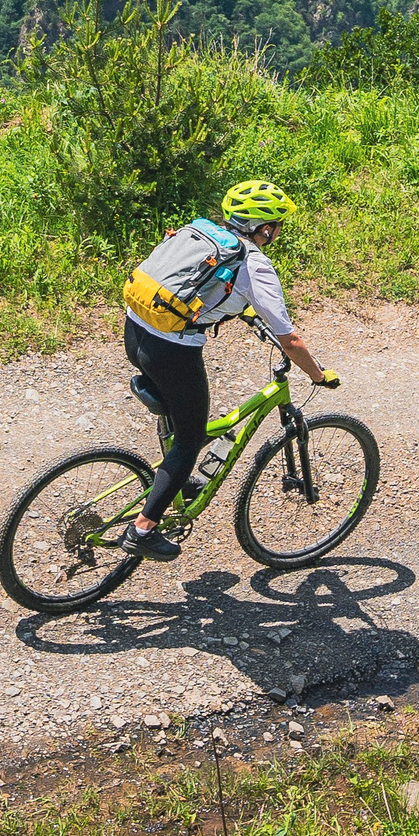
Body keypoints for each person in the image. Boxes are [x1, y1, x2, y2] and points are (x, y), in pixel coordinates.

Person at [120, 179, 339, 561]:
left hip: (136, 330)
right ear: (264, 229)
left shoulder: (205, 234)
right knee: (190, 441)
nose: (277, 234)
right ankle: (142, 529)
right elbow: (290, 340)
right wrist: (318, 374)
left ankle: (176, 481)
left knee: (181, 416)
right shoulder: (254, 264)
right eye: (277, 227)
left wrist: (246, 311)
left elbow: (201, 288)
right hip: (171, 348)